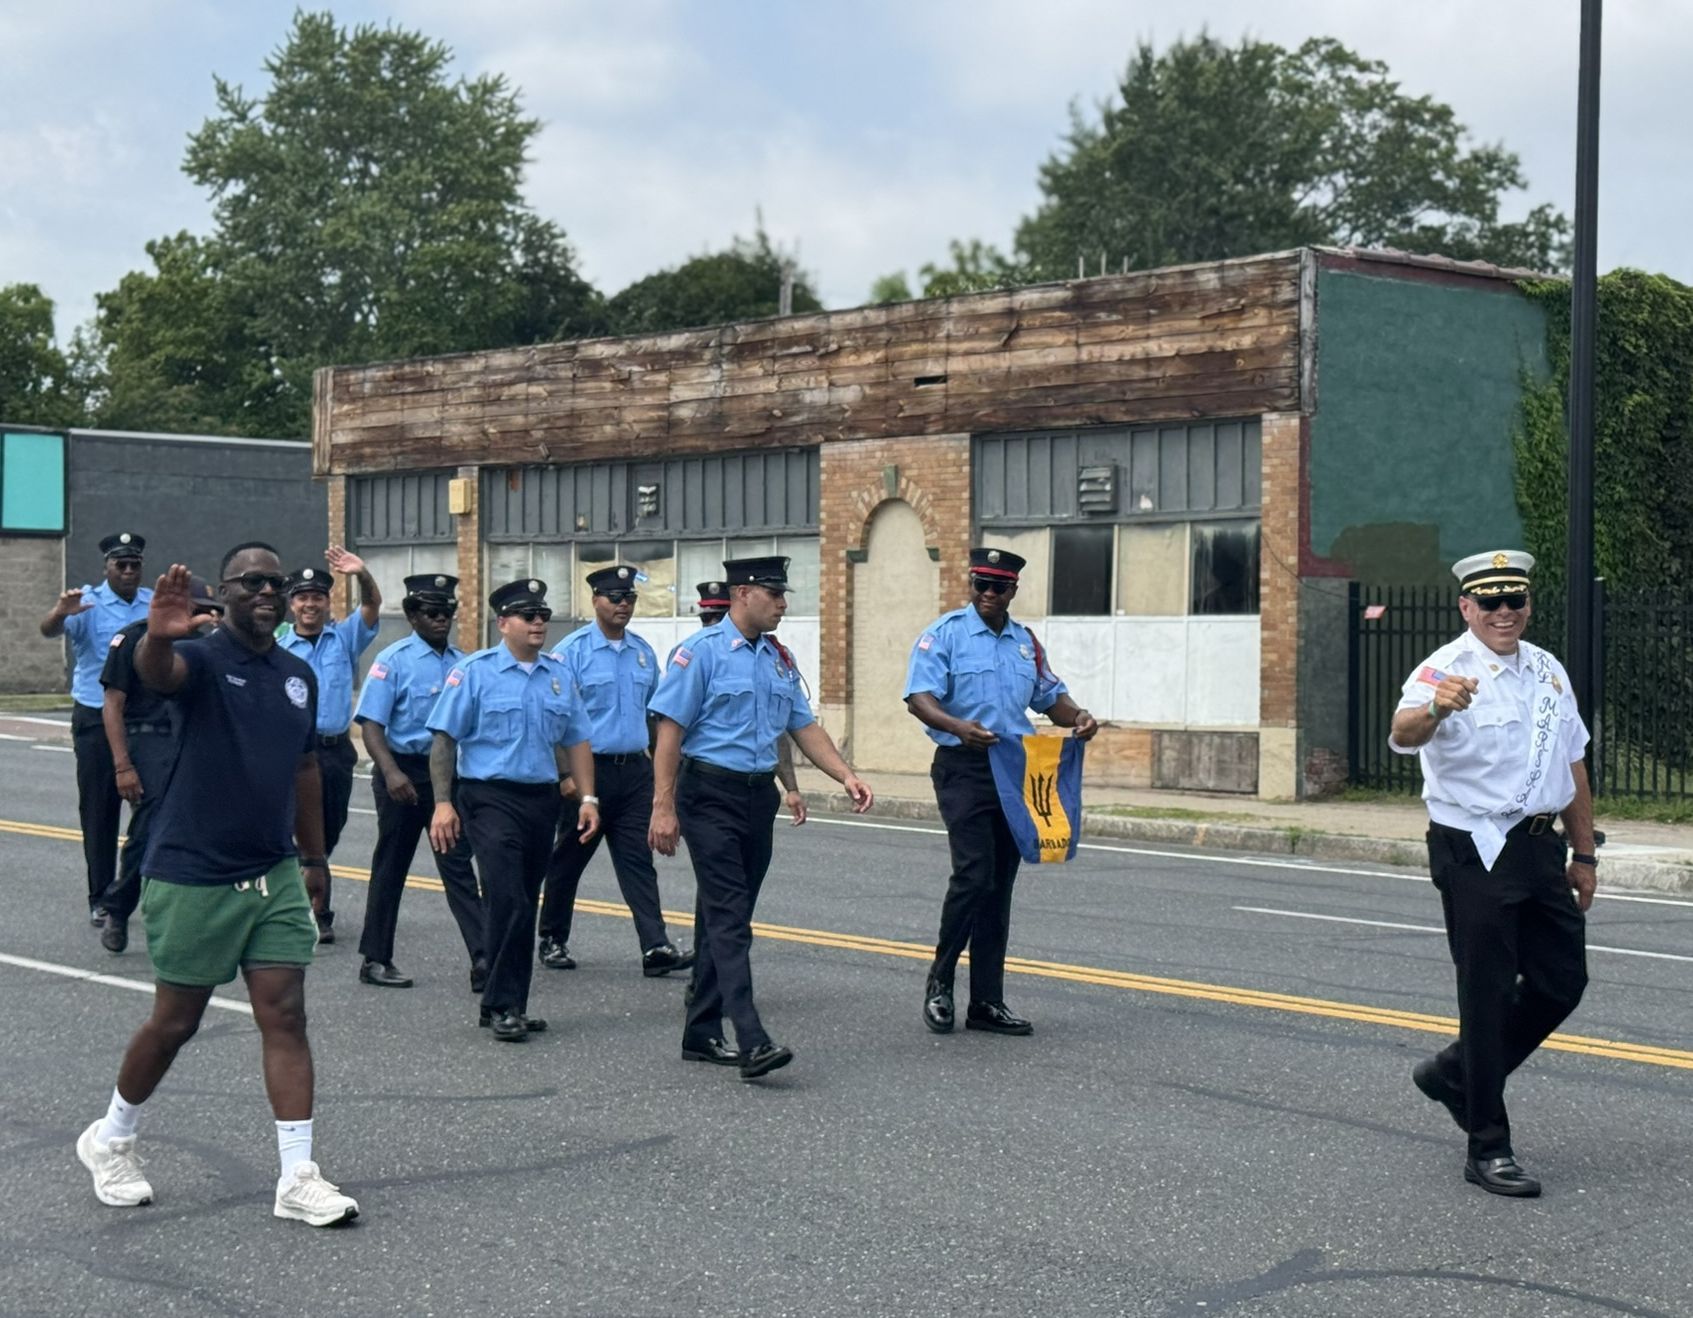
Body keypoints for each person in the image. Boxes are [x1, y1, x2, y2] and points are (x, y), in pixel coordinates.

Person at [75, 545, 359, 1227]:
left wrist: (314, 858)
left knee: (284, 1014)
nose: (267, 590)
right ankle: (111, 1136)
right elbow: (160, 673)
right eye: (251, 581)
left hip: (273, 870)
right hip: (193, 869)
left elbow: (304, 769)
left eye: (274, 581)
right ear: (226, 591)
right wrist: (156, 637)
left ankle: (297, 1176)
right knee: (176, 1022)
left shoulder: (296, 674)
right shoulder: (198, 658)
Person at [1390, 550, 1595, 1199]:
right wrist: (1437, 709)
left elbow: (1572, 764)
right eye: (1490, 603)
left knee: (1562, 981)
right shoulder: (1443, 669)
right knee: (1486, 995)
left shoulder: (1547, 670)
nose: (1504, 613)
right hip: (1473, 848)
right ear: (1466, 608)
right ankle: (1487, 1145)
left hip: (1537, 847)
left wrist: (1584, 853)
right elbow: (1402, 732)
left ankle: (1454, 1074)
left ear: (1527, 605)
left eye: (1515, 601)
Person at [648, 556, 873, 1080]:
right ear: (743, 594)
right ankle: (751, 1038)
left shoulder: (777, 659)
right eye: (774, 594)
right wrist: (663, 805)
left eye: (783, 594)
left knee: (727, 915)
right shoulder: (700, 653)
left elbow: (803, 725)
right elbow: (669, 733)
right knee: (730, 917)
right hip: (708, 794)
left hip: (756, 798)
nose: (783, 604)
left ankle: (701, 1032)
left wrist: (845, 775)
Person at [903, 548, 1098, 1038]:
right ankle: (940, 983)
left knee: (998, 886)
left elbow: (1050, 697)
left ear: (1013, 590)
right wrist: (957, 727)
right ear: (971, 585)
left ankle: (987, 1001)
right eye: (981, 585)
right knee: (974, 874)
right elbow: (919, 698)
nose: (988, 594)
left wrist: (1078, 716)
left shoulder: (1024, 643)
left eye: (999, 587)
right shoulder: (945, 634)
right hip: (964, 765)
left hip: (1014, 769)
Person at [426, 578, 599, 1042]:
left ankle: (508, 1005)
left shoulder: (558, 675)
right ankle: (502, 1003)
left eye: (543, 615)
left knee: (524, 898)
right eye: (528, 616)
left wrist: (588, 799)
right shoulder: (474, 672)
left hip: (541, 799)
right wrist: (442, 803)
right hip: (489, 797)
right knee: (509, 899)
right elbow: (444, 740)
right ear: (503, 623)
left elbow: (577, 740)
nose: (538, 623)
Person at [537, 565, 692, 975]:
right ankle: (552, 938)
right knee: (569, 859)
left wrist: (663, 778)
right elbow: (555, 720)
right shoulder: (571, 652)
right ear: (595, 601)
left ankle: (655, 946)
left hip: (633, 773)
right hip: (588, 774)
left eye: (630, 598)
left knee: (638, 860)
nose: (624, 605)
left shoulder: (642, 652)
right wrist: (565, 776)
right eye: (615, 597)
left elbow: (655, 718)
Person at [352, 573, 486, 991]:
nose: (441, 618)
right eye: (431, 612)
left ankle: (484, 957)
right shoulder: (392, 661)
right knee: (392, 866)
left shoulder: (463, 664)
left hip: (445, 780)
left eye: (447, 611)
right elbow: (371, 725)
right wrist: (391, 772)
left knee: (457, 866)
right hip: (404, 774)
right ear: (412, 616)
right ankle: (376, 959)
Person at [95, 575, 222, 953]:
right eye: (198, 609)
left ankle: (194, 913)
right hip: (149, 738)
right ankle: (119, 908)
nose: (205, 617)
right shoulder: (135, 637)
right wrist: (123, 766)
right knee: (152, 824)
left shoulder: (212, 644)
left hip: (195, 740)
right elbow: (113, 704)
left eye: (210, 611)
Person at [39, 531, 153, 928]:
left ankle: (143, 890)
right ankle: (101, 897)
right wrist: (60, 612)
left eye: (134, 564)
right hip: (94, 720)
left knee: (152, 811)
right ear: (107, 567)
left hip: (144, 720)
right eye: (121, 564)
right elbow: (48, 630)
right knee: (100, 813)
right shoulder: (87, 602)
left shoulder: (152, 602)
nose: (128, 571)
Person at [277, 547, 381, 943]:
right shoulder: (277, 646)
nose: (310, 604)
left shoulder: (344, 639)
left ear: (327, 603)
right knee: (299, 832)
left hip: (335, 752)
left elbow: (371, 605)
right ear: (291, 605)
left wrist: (362, 573)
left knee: (329, 830)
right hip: (292, 753)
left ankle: (306, 890)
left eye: (317, 597)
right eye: (302, 597)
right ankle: (317, 911)